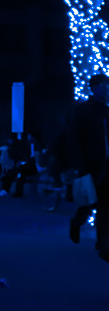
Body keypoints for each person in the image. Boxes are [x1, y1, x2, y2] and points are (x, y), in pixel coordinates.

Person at [69, 72, 109, 257]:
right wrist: (80, 164)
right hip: (90, 163)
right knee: (88, 203)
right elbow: (75, 138)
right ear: (93, 88)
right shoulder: (83, 110)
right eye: (101, 85)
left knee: (104, 205)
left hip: (106, 164)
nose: (105, 88)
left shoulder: (106, 110)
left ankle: (102, 243)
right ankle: (77, 221)